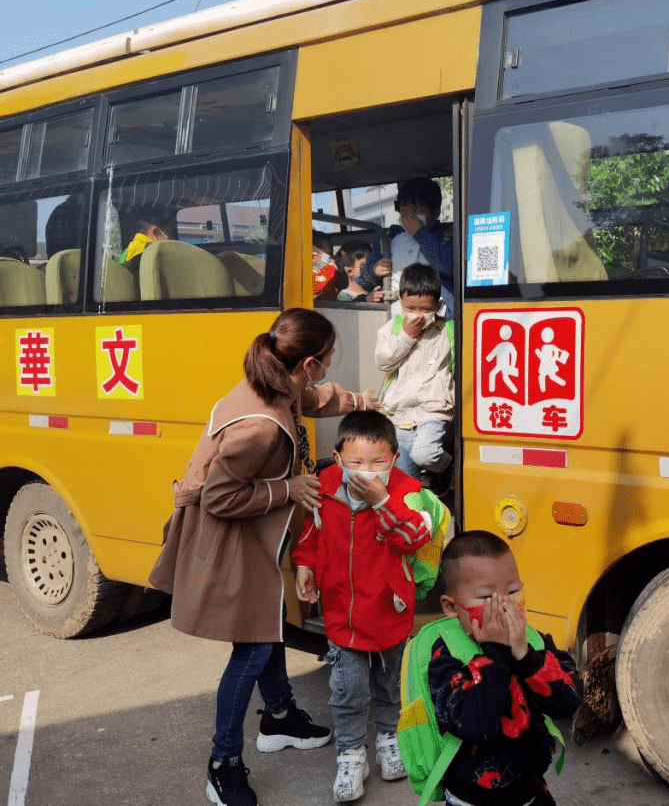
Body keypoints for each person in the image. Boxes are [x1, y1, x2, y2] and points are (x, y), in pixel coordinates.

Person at [149, 308, 378, 806]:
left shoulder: (278, 382)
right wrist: (288, 487)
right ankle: (222, 764)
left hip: (254, 535)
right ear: (311, 362)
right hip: (227, 537)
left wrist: (361, 401)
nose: (330, 368)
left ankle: (278, 718)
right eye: (330, 358)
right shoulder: (261, 429)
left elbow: (316, 398)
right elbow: (218, 498)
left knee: (268, 623)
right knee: (251, 648)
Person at [293, 410, 433, 802]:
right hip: (342, 615)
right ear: (338, 458)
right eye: (355, 463)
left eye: (379, 462)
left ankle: (390, 739)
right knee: (347, 691)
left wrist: (383, 502)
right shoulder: (325, 487)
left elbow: (414, 537)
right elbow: (311, 533)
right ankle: (352, 755)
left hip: (389, 613)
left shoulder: (407, 491)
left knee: (390, 687)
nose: (367, 472)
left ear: (394, 457)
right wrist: (306, 566)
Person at [430, 531, 583, 806]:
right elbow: (475, 724)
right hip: (471, 798)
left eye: (513, 591)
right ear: (451, 607)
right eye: (487, 596)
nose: (503, 607)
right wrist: (497, 655)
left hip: (532, 791)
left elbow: (568, 702)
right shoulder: (446, 656)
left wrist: (525, 655)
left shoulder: (534, 642)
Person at [373, 263, 454, 491]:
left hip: (434, 408)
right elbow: (384, 362)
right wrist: (407, 337)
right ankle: (419, 516)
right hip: (399, 411)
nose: (417, 315)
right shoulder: (392, 329)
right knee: (406, 480)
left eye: (425, 310)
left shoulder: (448, 331)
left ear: (437, 306)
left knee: (425, 454)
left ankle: (447, 465)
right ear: (400, 302)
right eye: (411, 308)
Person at [363, 178, 454, 315]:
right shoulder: (388, 237)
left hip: (437, 310)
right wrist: (374, 269)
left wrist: (419, 233)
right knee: (400, 335)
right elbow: (368, 272)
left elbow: (446, 266)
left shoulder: (446, 235)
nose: (409, 216)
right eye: (404, 211)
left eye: (416, 210)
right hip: (397, 309)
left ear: (435, 212)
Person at [313, 230, 338, 299]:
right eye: (329, 254)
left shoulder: (328, 275)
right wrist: (332, 267)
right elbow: (316, 287)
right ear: (313, 255)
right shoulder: (303, 276)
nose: (333, 257)